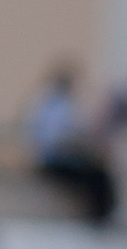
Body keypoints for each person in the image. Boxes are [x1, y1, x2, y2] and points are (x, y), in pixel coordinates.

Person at [27, 61, 116, 226]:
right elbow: (59, 138)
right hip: (53, 160)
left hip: (54, 156)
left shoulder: (48, 101)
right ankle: (99, 219)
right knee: (96, 177)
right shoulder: (56, 105)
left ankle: (99, 216)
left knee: (97, 174)